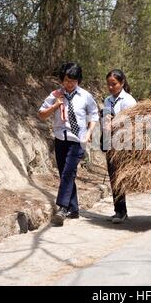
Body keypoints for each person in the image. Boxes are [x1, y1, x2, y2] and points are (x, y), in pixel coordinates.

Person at [38, 63, 99, 226]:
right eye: (66, 81)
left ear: (78, 80)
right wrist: (56, 105)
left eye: (73, 81)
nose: (69, 84)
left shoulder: (85, 96)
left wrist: (88, 133)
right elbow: (42, 114)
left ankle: (62, 208)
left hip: (78, 140)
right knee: (65, 174)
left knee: (67, 173)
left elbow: (94, 115)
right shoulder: (55, 95)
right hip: (60, 139)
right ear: (61, 80)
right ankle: (74, 209)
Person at [102, 69, 137, 224]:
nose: (111, 87)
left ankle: (121, 211)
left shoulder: (128, 100)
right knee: (113, 176)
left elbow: (132, 123)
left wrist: (114, 123)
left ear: (122, 83)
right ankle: (119, 210)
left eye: (114, 84)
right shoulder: (108, 100)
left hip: (124, 143)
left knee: (119, 177)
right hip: (111, 142)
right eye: (109, 84)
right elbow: (106, 118)